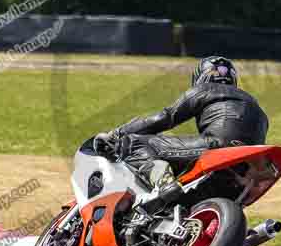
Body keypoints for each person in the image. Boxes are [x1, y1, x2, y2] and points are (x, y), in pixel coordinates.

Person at [92, 56, 269, 189]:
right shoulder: (256, 106)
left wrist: (117, 133)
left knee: (132, 142)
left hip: (217, 148)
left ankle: (163, 183)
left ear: (201, 76)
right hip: (244, 166)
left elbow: (165, 117)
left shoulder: (204, 89)